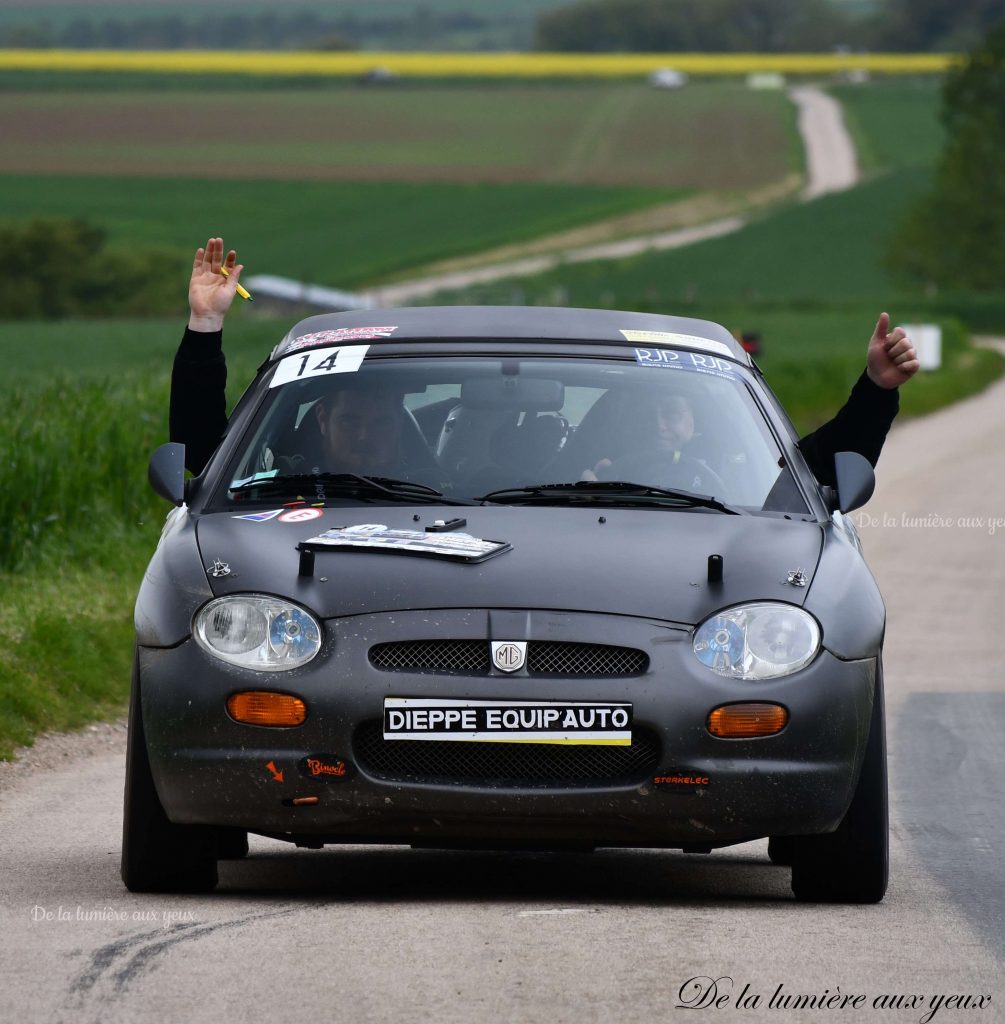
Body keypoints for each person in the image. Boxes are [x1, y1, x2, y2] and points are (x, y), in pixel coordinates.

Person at [171, 238, 920, 486]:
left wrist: (874, 394)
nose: (365, 427)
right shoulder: (275, 485)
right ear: (320, 416)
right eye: (357, 411)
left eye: (373, 413)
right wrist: (206, 329)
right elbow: (204, 465)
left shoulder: (692, 481)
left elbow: (800, 483)